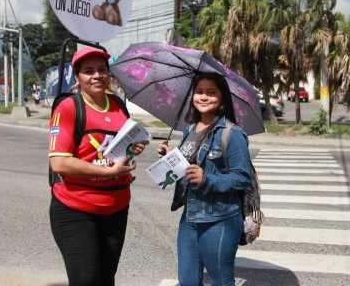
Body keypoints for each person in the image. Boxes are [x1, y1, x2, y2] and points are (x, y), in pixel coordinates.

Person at [48, 46, 149, 286]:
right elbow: (59, 162)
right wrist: (107, 172)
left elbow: (117, 148)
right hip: (76, 209)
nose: (96, 75)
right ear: (77, 77)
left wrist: (132, 148)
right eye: (88, 71)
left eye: (102, 69)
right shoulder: (69, 108)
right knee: (86, 280)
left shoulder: (117, 105)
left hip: (116, 208)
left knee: (106, 280)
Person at [157, 72, 252, 286]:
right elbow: (186, 166)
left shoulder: (231, 133)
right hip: (190, 217)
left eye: (211, 92)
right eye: (199, 92)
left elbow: (242, 177)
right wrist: (170, 157)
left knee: (221, 281)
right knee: (187, 281)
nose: (204, 97)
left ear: (222, 98)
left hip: (220, 219)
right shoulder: (190, 130)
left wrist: (207, 179)